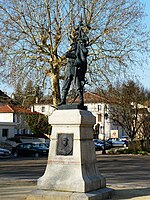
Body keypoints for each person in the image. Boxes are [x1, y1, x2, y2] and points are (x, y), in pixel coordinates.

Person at [58, 26, 88, 106]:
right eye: (72, 45)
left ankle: (81, 101)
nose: (72, 46)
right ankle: (63, 100)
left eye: (73, 45)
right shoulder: (70, 52)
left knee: (77, 86)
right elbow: (66, 55)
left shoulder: (79, 51)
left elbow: (84, 55)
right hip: (68, 69)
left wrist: (81, 45)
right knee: (65, 86)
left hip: (75, 69)